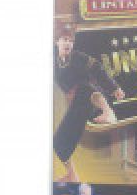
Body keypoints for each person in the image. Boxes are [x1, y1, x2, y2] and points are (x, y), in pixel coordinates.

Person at [52, 24, 124, 183]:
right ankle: (72, 175)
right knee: (59, 142)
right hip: (75, 105)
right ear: (57, 42)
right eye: (64, 40)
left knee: (85, 88)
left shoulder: (78, 57)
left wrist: (114, 88)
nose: (68, 44)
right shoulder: (50, 57)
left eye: (70, 41)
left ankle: (108, 112)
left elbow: (97, 67)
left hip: (93, 99)